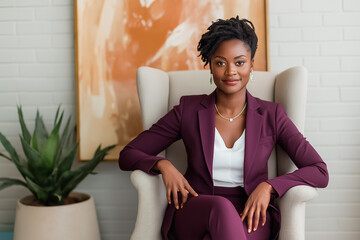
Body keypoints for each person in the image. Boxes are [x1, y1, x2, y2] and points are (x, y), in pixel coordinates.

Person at [119, 16, 329, 240]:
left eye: (239, 62)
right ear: (210, 65)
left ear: (251, 65)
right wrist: (163, 165)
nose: (231, 72)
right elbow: (128, 154)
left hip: (251, 212)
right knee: (220, 208)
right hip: (196, 209)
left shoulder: (271, 115)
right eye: (221, 62)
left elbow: (319, 170)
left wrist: (269, 187)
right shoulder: (188, 110)